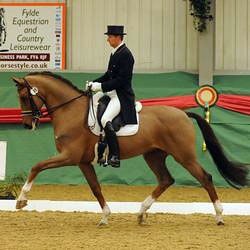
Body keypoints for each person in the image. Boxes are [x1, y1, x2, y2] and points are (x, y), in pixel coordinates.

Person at [87, 25, 137, 168]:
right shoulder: (114, 53)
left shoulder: (126, 55)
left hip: (120, 96)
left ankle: (115, 155)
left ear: (117, 37)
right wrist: (94, 83)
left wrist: (101, 87)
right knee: (92, 102)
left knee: (105, 119)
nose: (108, 40)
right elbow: (108, 75)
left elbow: (121, 80)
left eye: (109, 37)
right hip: (110, 92)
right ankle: (101, 148)